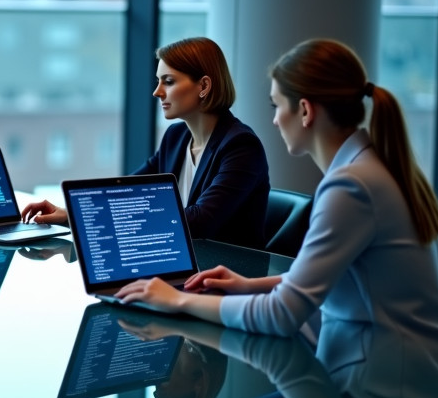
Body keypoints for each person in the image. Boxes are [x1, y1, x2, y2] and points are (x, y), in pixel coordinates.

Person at [114, 38, 438, 398]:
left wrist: (177, 301)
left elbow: (282, 315)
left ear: (304, 110)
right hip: (405, 374)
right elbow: (343, 277)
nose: (272, 119)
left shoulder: (350, 187)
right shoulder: (370, 166)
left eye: (276, 106)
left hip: (389, 390)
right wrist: (248, 284)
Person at [21, 36, 270, 248]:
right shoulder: (176, 137)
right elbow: (127, 191)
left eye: (168, 81)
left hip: (229, 279)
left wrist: (103, 218)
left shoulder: (241, 146)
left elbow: (201, 221)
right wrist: (71, 215)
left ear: (204, 85)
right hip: (179, 262)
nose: (157, 91)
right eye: (158, 81)